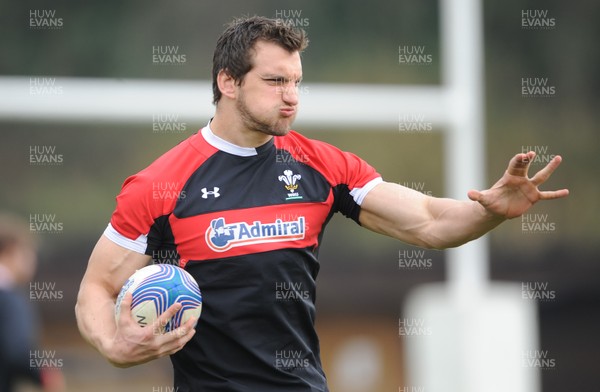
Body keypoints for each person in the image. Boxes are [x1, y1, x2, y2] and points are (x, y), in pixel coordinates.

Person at [75, 16, 569, 392]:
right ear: (228, 82)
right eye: (274, 82)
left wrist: (489, 210)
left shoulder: (322, 166)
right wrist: (116, 346)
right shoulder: (159, 184)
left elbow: (428, 221)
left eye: (295, 82)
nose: (291, 97)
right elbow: (97, 287)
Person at [0, 213, 65, 392]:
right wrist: (45, 374)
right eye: (28, 253)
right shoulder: (9, 298)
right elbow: (18, 352)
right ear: (10, 251)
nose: (33, 260)